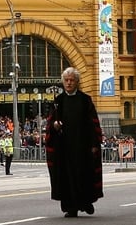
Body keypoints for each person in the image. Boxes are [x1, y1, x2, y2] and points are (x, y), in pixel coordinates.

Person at [46, 67, 103, 218]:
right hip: (64, 147)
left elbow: (93, 123)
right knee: (66, 177)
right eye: (66, 80)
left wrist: (93, 144)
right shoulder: (58, 101)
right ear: (63, 82)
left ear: (77, 82)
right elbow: (50, 123)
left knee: (83, 175)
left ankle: (85, 202)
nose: (69, 83)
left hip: (82, 146)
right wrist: (54, 126)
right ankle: (71, 208)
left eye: (72, 80)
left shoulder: (85, 100)